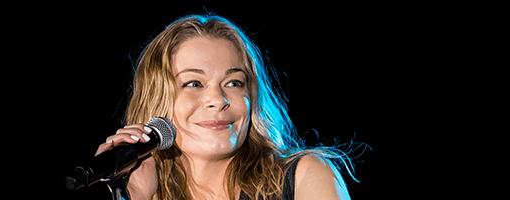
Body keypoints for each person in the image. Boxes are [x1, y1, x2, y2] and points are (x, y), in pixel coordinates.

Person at [94, 14, 359, 200]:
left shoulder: (304, 176)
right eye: (194, 83)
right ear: (158, 101)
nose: (218, 100)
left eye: (233, 82)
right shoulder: (140, 191)